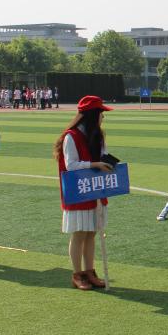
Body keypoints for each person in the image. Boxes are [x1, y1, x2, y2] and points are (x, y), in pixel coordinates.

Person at [55, 96, 115, 291]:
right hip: (78, 191)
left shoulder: (98, 135)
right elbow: (71, 165)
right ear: (92, 115)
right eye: (100, 113)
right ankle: (77, 274)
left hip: (95, 189)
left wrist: (109, 163)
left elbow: (102, 155)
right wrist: (95, 164)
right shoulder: (71, 136)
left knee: (91, 232)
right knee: (79, 233)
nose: (103, 117)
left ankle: (90, 272)